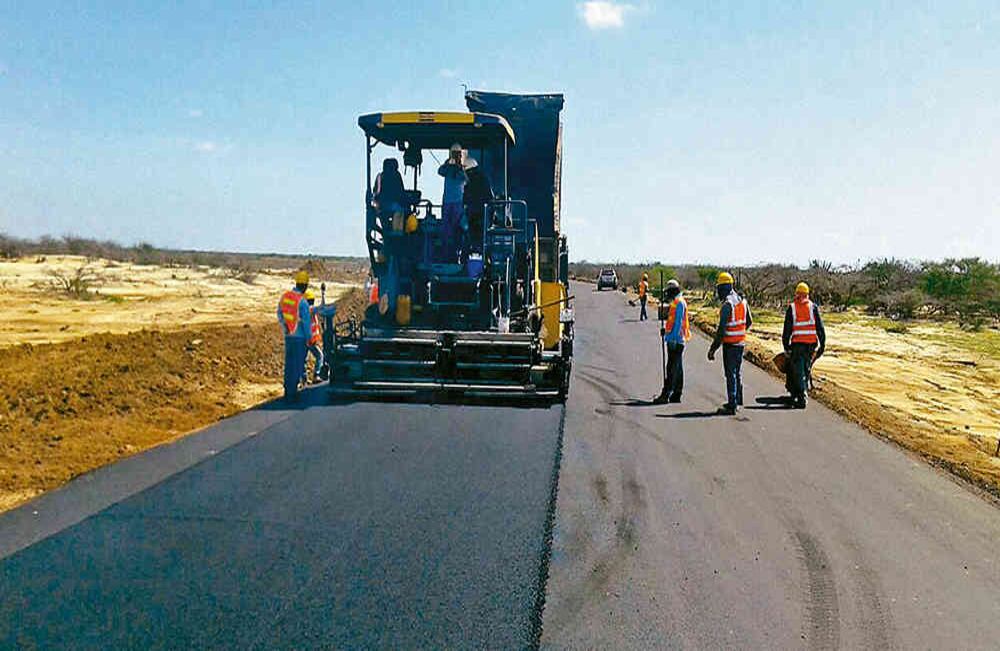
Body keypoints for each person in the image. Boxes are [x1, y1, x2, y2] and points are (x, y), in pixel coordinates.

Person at [707, 271, 752, 414]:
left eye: (719, 288)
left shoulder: (728, 304)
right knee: (737, 372)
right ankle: (738, 399)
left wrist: (713, 349)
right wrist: (740, 331)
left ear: (723, 288)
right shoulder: (742, 301)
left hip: (731, 344)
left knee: (730, 373)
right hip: (740, 343)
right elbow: (749, 321)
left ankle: (732, 405)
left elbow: (721, 331)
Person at [782, 281, 826, 409]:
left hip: (798, 345)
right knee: (806, 369)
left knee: (799, 370)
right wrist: (822, 344)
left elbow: (787, 330)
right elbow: (820, 328)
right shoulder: (813, 307)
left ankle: (802, 396)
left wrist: (786, 346)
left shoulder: (792, 308)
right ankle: (801, 391)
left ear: (796, 294)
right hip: (811, 344)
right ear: (807, 294)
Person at [276, 270, 312, 400]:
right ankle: (293, 392)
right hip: (300, 338)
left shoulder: (285, 297)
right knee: (297, 365)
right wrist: (309, 338)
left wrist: (285, 326)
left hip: (288, 336)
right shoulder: (303, 302)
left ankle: (287, 390)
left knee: (289, 364)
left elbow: (279, 313)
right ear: (305, 286)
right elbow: (306, 323)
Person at [655, 279, 690, 403]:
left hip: (676, 340)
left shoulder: (679, 302)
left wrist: (673, 338)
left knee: (671, 368)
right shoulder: (676, 301)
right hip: (675, 338)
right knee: (677, 368)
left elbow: (678, 323)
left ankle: (666, 394)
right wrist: (666, 331)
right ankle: (676, 394)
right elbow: (672, 321)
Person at [438, 143, 468, 261]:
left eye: (457, 154)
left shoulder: (462, 168)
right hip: (448, 201)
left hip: (458, 202)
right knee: (446, 229)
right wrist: (448, 164)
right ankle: (446, 254)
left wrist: (459, 167)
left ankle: (457, 254)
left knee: (457, 227)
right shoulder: (447, 168)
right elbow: (440, 171)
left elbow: (466, 179)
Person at [463, 156, 494, 250]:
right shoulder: (484, 178)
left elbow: (465, 198)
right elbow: (490, 197)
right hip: (484, 214)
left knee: (472, 237)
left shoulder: (471, 182)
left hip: (475, 215)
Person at [303, 289, 324, 384]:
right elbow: (321, 306)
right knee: (320, 356)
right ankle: (316, 375)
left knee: (303, 359)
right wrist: (323, 293)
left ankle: (303, 379)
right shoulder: (309, 310)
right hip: (310, 340)